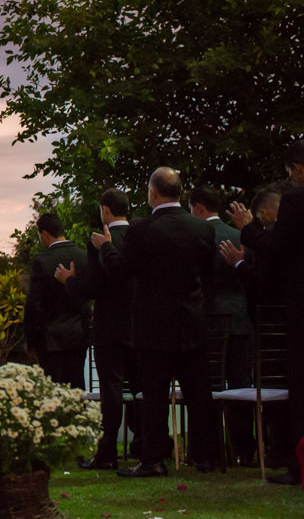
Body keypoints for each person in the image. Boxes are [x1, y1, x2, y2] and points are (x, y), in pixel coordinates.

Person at [94, 167, 220, 477]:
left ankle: (153, 459)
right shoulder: (202, 229)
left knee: (154, 395)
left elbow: (121, 271)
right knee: (198, 394)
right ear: (180, 192)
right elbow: (210, 276)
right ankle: (206, 457)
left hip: (153, 325)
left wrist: (106, 247)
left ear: (153, 193)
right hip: (192, 321)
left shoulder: (142, 230)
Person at [227, 139, 304, 485]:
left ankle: (299, 464)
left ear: (297, 168)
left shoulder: (295, 200)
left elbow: (278, 248)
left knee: (300, 387)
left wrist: (248, 229)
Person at [56, 188, 139, 469]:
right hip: (140, 324)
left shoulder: (98, 242)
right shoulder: (140, 236)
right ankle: (146, 445)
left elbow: (93, 287)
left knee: (111, 390)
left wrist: (68, 280)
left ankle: (107, 453)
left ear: (105, 210)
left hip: (109, 326)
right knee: (142, 387)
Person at [190, 184, 255, 465]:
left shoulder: (198, 237)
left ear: (198, 208)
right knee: (241, 385)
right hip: (241, 319)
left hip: (210, 321)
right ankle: (245, 449)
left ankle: (212, 451)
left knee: (210, 388)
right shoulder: (239, 234)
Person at [24, 213, 89, 389]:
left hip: (50, 339)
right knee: (77, 386)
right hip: (78, 335)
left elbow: (34, 304)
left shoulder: (42, 262)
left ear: (45, 234)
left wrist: (31, 339)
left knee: (53, 390)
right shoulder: (84, 257)